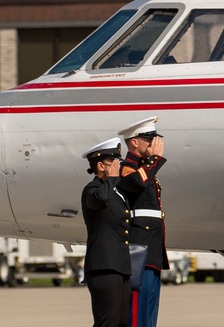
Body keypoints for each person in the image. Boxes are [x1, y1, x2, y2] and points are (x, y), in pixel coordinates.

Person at [118, 117, 168, 327]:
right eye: (149, 139)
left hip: (152, 252)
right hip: (138, 253)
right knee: (137, 315)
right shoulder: (127, 168)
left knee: (150, 314)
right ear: (135, 142)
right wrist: (154, 159)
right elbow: (136, 183)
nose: (154, 143)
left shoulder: (146, 170)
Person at [81, 137, 131, 327]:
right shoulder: (92, 189)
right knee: (107, 323)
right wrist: (110, 179)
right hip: (104, 267)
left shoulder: (116, 192)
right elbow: (100, 201)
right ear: (101, 166)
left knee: (121, 322)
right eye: (114, 163)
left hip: (120, 267)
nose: (118, 166)